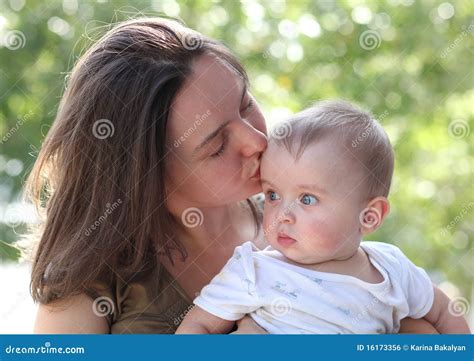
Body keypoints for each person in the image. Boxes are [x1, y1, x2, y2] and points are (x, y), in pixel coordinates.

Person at [27, 18, 436, 334]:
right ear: (143, 172)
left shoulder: (310, 224)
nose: (257, 139)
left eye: (245, 104)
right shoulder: (90, 280)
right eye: (217, 145)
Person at [175, 101, 470, 334]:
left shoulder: (392, 270)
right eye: (273, 195)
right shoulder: (253, 270)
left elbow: (446, 313)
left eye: (307, 199)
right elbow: (199, 325)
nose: (282, 215)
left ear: (369, 216)